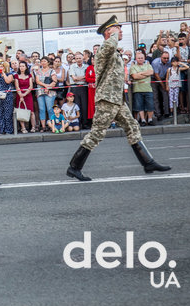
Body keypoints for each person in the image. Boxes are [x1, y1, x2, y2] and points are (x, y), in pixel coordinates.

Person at [66, 16, 171, 182]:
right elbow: (109, 44)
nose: (121, 31)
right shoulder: (104, 50)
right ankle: (74, 167)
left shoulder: (113, 52)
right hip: (107, 99)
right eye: (118, 28)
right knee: (97, 133)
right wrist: (113, 35)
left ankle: (147, 162)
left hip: (117, 99)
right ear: (109, 32)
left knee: (132, 126)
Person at [130, 50, 155, 126]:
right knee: (139, 106)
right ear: (136, 59)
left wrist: (140, 73)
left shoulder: (148, 65)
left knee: (150, 105)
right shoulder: (133, 67)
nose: (140, 59)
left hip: (148, 89)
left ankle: (150, 119)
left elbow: (151, 72)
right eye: (139, 58)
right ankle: (143, 120)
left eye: (142, 58)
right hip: (137, 89)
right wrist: (145, 74)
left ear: (144, 58)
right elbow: (135, 76)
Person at [34, 57, 57, 132]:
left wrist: (48, 87)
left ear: (48, 62)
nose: (43, 62)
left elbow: (54, 81)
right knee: (41, 109)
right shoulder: (38, 71)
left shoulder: (52, 71)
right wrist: (45, 85)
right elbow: (37, 81)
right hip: (40, 91)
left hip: (49, 92)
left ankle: (51, 125)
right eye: (42, 61)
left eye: (45, 61)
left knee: (50, 109)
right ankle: (43, 126)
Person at [68, 52, 89, 128]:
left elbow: (87, 78)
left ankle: (85, 123)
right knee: (77, 105)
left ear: (82, 58)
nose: (78, 60)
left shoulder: (86, 66)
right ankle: (78, 123)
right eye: (77, 58)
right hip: (75, 87)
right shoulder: (72, 66)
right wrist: (83, 77)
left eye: (80, 58)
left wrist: (80, 78)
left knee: (85, 105)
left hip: (84, 87)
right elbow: (74, 78)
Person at [0, 59, 14, 134]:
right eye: (0, 66)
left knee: (8, 113)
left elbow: (8, 81)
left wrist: (4, 74)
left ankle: (9, 130)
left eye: (2, 67)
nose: (1, 68)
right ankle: (2, 129)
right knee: (0, 113)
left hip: (7, 95)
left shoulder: (9, 74)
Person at [15, 61, 36, 133]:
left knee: (31, 112)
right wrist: (21, 95)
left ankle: (33, 127)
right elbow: (17, 86)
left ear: (26, 67)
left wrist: (25, 94)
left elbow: (31, 86)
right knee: (21, 111)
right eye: (20, 66)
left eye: (23, 66)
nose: (21, 67)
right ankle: (23, 128)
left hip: (28, 95)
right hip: (19, 95)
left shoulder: (29, 75)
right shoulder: (16, 76)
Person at [151, 51, 171, 120]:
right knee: (155, 96)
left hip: (165, 78)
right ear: (160, 57)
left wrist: (166, 83)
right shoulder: (155, 63)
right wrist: (163, 85)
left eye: (167, 58)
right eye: (164, 58)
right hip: (155, 79)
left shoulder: (169, 62)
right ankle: (158, 113)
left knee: (166, 94)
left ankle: (167, 112)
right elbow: (156, 75)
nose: (166, 60)